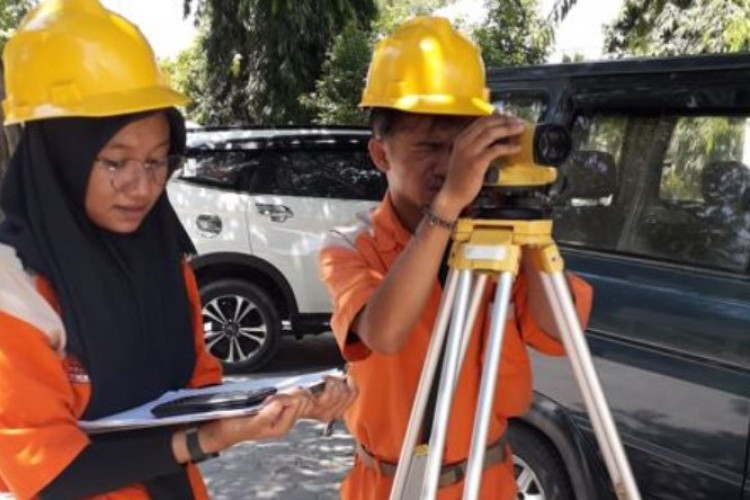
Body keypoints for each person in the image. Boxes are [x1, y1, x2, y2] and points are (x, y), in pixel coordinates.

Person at [0, 1, 355, 498]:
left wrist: (286, 399)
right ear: (59, 156)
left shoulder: (163, 260)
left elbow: (195, 394)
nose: (141, 186)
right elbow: (43, 472)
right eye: (115, 162)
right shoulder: (13, 284)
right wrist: (204, 439)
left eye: (155, 162)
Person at [319, 16, 593, 500]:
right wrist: (446, 207)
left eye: (460, 145)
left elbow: (558, 333)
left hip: (487, 480)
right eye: (428, 146)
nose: (449, 165)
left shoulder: (500, 238)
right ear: (380, 154)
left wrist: (524, 210)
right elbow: (384, 332)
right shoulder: (351, 243)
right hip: (388, 484)